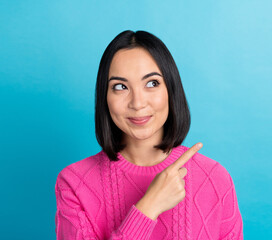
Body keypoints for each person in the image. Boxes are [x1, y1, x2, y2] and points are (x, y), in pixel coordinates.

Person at [55, 30, 243, 240]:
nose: (137, 103)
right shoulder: (74, 183)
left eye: (152, 83)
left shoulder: (215, 178)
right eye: (120, 87)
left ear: (171, 89)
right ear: (104, 97)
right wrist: (148, 207)